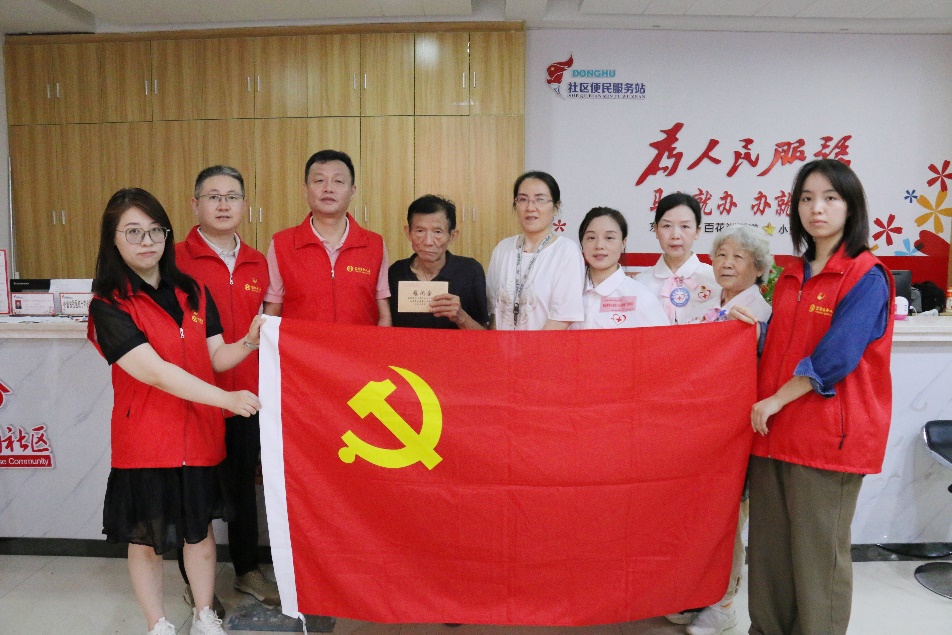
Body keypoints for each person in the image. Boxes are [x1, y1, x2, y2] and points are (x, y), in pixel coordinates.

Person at [88, 188, 265, 635]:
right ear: (113, 240)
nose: (147, 241)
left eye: (155, 231)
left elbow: (216, 357)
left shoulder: (193, 291)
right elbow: (156, 373)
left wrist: (249, 341)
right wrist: (227, 400)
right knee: (147, 540)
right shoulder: (108, 305)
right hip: (147, 440)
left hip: (200, 436)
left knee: (199, 533)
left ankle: (204, 613)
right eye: (133, 232)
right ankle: (158, 623)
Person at [730, 159, 894, 635]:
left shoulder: (865, 275)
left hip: (826, 439)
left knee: (818, 558)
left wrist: (776, 399)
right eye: (806, 198)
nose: (816, 208)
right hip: (772, 434)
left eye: (829, 198)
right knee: (770, 555)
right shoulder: (790, 275)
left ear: (851, 206)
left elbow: (836, 356)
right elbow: (780, 346)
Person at [175, 166, 278, 610]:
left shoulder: (258, 261)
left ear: (245, 206)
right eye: (213, 196)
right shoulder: (174, 259)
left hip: (247, 395)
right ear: (194, 204)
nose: (223, 205)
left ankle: (247, 570)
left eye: (232, 197)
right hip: (193, 396)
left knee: (242, 489)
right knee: (193, 493)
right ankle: (196, 584)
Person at [674, 224, 774, 635]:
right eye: (720, 255)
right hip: (699, 431)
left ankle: (724, 604)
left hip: (736, 434)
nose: (726, 263)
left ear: (759, 268)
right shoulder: (708, 303)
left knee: (728, 520)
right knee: (699, 517)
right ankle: (698, 594)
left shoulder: (760, 315)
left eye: (738, 257)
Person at [263, 149, 391, 325]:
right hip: (300, 344)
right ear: (305, 189)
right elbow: (272, 310)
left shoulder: (374, 245)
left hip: (358, 343)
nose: (328, 188)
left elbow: (384, 313)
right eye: (319, 180)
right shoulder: (281, 244)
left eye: (338, 181)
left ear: (352, 191)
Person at [486, 171, 585, 330]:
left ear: (556, 207)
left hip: (545, 345)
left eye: (540, 199)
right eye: (523, 199)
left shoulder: (566, 251)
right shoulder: (503, 249)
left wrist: (529, 347)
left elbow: (562, 318)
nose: (530, 207)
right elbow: (493, 312)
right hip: (503, 345)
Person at [388, 194, 488, 329]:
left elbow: (484, 334)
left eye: (438, 232)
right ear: (408, 232)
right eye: (420, 231)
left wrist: (461, 317)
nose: (428, 242)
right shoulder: (396, 272)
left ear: (452, 236)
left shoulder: (470, 271)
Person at [570, 206, 667, 329]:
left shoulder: (640, 296)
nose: (599, 245)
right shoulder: (567, 292)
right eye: (591, 238)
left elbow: (662, 340)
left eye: (609, 238)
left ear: (623, 243)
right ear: (582, 243)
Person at [635, 192, 720, 325]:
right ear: (656, 230)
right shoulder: (640, 284)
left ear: (697, 231)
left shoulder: (714, 280)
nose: (675, 235)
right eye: (667, 226)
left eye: (685, 226)